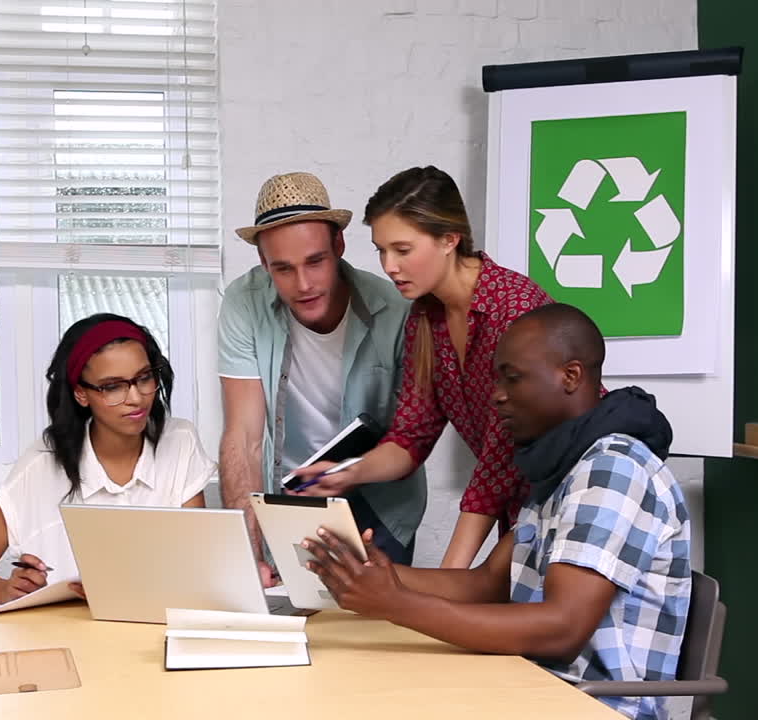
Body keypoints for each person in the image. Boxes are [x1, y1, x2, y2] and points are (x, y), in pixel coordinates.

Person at [301, 303, 691, 720]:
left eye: (513, 378)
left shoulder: (612, 468)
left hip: (595, 705)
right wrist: (372, 575)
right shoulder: (565, 465)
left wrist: (396, 604)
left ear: (570, 376)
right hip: (532, 687)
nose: (497, 395)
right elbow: (488, 584)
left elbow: (563, 628)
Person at [293, 165, 552, 568]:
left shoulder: (515, 312)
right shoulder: (425, 320)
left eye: (402, 249)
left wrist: (447, 580)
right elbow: (410, 439)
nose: (389, 266)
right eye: (381, 250)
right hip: (518, 514)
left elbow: (498, 465)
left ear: (450, 239)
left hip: (569, 503)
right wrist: (348, 472)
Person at [218, 171, 426, 581]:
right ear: (263, 264)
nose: (304, 284)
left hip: (380, 500)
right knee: (287, 622)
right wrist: (247, 550)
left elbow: (414, 434)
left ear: (339, 246)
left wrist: (347, 473)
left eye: (316, 261)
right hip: (287, 496)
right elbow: (242, 437)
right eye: (283, 269)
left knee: (371, 635)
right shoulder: (244, 303)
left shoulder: (397, 310)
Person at [0, 313, 213, 604]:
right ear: (80, 393)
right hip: (63, 634)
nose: (136, 398)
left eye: (144, 378)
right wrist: (5, 590)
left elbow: (197, 564)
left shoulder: (180, 442)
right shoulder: (42, 463)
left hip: (155, 627)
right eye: (112, 387)